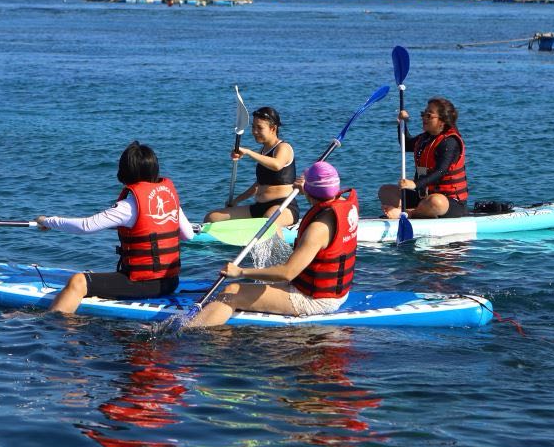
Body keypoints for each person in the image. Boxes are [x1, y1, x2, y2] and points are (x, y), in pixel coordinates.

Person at [188, 162, 358, 327]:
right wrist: (307, 188)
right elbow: (323, 191)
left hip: (315, 300)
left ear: (310, 192)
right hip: (336, 292)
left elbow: (287, 273)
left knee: (231, 292)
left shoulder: (317, 229)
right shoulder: (345, 206)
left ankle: (189, 336)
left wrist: (239, 271)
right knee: (246, 287)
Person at [37, 141, 195, 314]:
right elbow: (188, 235)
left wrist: (47, 221)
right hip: (170, 282)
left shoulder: (128, 206)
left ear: (125, 172)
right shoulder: (169, 198)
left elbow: (85, 226)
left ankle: (48, 325)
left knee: (78, 281)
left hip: (143, 285)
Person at [203, 106, 298, 228]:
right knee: (211, 217)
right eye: (253, 127)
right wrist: (236, 201)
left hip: (284, 207)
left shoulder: (283, 147)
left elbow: (277, 165)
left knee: (266, 223)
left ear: (273, 128)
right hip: (259, 207)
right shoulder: (263, 151)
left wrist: (248, 152)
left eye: (259, 128)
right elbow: (258, 185)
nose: (254, 131)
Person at [378, 96, 468, 219]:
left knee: (436, 202)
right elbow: (406, 144)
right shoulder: (425, 138)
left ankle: (407, 213)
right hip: (423, 198)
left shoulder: (450, 142)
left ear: (442, 121)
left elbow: (440, 171)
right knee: (385, 191)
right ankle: (418, 211)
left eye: (429, 116)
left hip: (449, 202)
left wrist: (414, 184)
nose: (423, 118)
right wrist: (402, 124)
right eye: (423, 114)